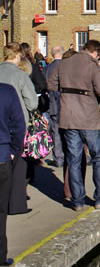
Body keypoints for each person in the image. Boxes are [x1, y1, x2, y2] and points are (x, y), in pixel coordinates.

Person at [46, 40, 100, 211]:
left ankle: (77, 201)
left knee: (74, 159)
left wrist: (67, 91)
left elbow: (51, 84)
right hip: (88, 117)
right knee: (98, 157)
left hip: (68, 117)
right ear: (96, 53)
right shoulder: (92, 65)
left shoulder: (64, 63)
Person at [0, 43, 38, 216]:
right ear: (16, 56)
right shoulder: (20, 75)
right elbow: (32, 102)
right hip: (17, 123)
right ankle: (16, 205)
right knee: (18, 166)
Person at [0, 83, 26, 267]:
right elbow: (19, 124)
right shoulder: (7, 91)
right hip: (1, 157)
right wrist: (14, 150)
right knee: (0, 211)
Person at [44, 46, 65, 168]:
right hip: (66, 104)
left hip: (52, 105)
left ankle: (58, 158)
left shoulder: (47, 69)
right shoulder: (67, 67)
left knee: (55, 132)